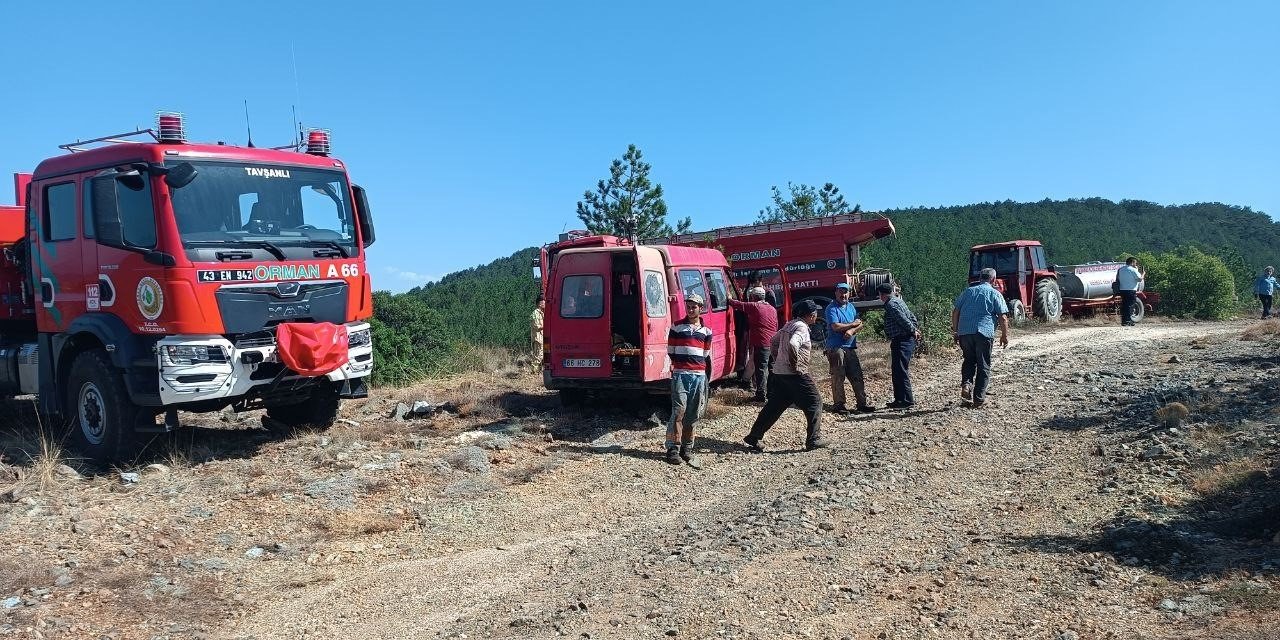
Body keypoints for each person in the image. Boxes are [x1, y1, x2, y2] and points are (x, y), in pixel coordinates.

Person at [743, 300, 827, 452]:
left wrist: (778, 359)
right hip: (794, 373)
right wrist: (795, 365)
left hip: (780, 372)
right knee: (815, 402)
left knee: (775, 405)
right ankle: (813, 439)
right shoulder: (801, 327)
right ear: (811, 315)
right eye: (815, 314)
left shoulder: (789, 324)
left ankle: (754, 436)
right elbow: (793, 344)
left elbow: (773, 341)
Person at [952, 268, 1010, 408]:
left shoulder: (968, 291)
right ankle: (979, 399)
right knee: (983, 365)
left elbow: (955, 312)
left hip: (965, 332)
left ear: (980, 278)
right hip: (984, 333)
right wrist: (1004, 335)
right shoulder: (994, 293)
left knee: (969, 360)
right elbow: (1002, 317)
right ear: (993, 279)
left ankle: (966, 385)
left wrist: (956, 331)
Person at [666, 293, 712, 469]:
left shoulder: (707, 332)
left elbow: (705, 354)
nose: (691, 310)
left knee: (693, 413)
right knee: (678, 411)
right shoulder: (677, 327)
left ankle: (687, 448)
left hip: (698, 376)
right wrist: (681, 365)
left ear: (701, 309)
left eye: (694, 307)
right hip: (680, 374)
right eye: (689, 306)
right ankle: (673, 448)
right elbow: (671, 350)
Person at [824, 283, 874, 413]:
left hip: (850, 347)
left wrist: (852, 331)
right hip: (836, 348)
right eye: (841, 292)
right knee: (838, 376)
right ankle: (839, 405)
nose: (843, 295)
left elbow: (860, 323)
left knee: (857, 375)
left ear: (849, 294)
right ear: (836, 293)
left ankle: (862, 404)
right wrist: (852, 325)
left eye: (845, 292)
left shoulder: (851, 307)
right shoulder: (831, 308)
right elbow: (835, 326)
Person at [728, 287, 779, 401]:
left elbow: (738, 304)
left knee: (761, 369)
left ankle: (760, 395)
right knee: (771, 369)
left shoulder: (754, 306)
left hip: (761, 343)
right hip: (773, 343)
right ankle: (771, 394)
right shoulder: (772, 308)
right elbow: (776, 325)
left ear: (753, 297)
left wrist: (729, 299)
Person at [879, 283, 921, 409]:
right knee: (897, 370)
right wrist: (915, 328)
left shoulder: (891, 305)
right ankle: (899, 399)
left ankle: (907, 401)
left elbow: (902, 319)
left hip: (902, 340)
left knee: (901, 370)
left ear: (881, 294)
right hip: (902, 339)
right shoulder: (898, 301)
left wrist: (913, 330)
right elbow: (911, 316)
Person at [1116, 257, 1144, 326]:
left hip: (1122, 290)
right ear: (1132, 262)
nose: (1136, 264)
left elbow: (1117, 278)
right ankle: (1128, 320)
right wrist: (1143, 273)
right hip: (1131, 290)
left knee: (1125, 305)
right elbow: (1139, 279)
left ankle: (1124, 321)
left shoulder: (1120, 269)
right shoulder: (1133, 270)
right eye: (1135, 262)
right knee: (1130, 305)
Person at [529, 294, 545, 369]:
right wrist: (546, 326)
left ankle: (537, 370)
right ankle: (534, 370)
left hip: (541, 337)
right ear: (540, 303)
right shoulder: (535, 313)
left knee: (541, 354)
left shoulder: (541, 313)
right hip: (537, 338)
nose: (545, 304)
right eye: (544, 302)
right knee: (538, 355)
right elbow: (536, 326)